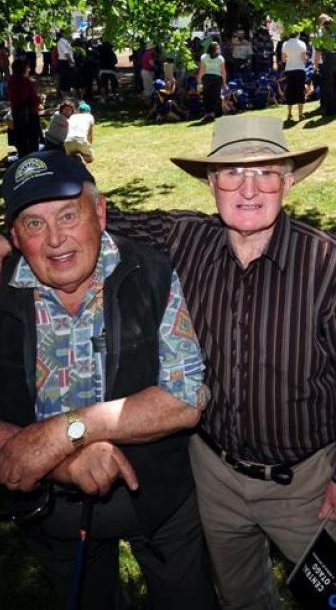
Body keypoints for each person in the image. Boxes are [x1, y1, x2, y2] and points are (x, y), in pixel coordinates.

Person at [103, 116, 336, 610]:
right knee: (241, 598)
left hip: (308, 485)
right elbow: (93, 218)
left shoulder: (328, 265)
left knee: (334, 602)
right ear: (211, 184)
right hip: (215, 476)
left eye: (266, 173)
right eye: (232, 173)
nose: (249, 189)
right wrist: (25, 225)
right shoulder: (187, 240)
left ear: (289, 181)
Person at [0, 150, 218, 610]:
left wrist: (69, 431)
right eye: (34, 224)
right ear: (15, 237)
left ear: (99, 213)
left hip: (159, 500)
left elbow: (184, 398)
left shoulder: (149, 273)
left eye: (67, 214)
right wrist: (60, 464)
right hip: (50, 510)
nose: (56, 239)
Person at [7, 58, 42, 158]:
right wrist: (37, 98)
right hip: (29, 115)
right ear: (23, 68)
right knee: (32, 142)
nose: (29, 69)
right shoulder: (25, 81)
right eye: (27, 67)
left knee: (21, 141)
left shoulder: (11, 80)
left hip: (17, 114)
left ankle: (23, 159)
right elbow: (25, 97)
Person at [197, 41, 227, 123]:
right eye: (218, 48)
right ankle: (212, 114)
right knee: (214, 96)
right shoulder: (220, 58)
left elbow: (202, 70)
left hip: (207, 78)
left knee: (207, 96)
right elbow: (223, 72)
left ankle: (208, 114)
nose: (219, 49)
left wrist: (199, 80)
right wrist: (224, 83)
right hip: (216, 78)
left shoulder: (204, 57)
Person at [281, 30, 308, 121]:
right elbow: (304, 58)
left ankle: (289, 114)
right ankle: (300, 114)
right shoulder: (302, 43)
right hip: (300, 69)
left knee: (290, 91)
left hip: (289, 69)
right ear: (298, 34)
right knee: (300, 90)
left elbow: (284, 59)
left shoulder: (285, 44)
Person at [56, 29, 75, 97]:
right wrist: (71, 61)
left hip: (67, 61)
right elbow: (65, 53)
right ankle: (63, 94)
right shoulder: (61, 42)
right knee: (64, 78)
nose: (69, 34)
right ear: (63, 34)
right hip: (64, 62)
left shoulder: (66, 41)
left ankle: (67, 93)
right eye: (67, 33)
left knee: (68, 78)